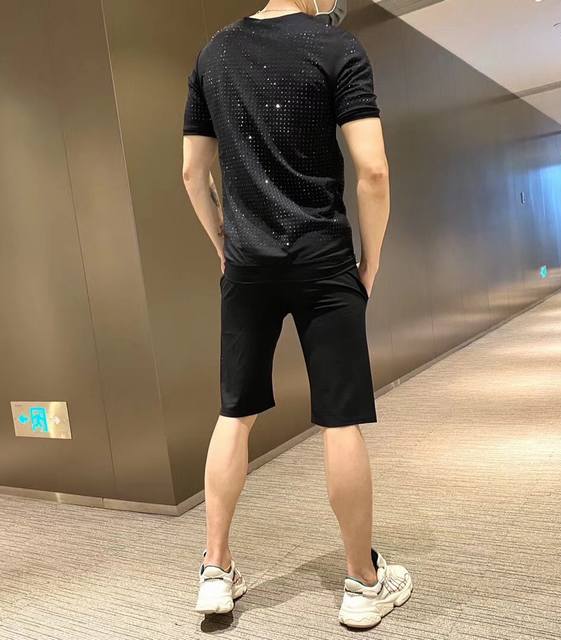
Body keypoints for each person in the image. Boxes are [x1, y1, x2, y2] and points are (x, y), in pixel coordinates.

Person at [181, 0, 412, 629]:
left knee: (235, 415)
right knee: (340, 420)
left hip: (247, 265)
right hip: (323, 260)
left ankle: (214, 569)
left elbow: (192, 172)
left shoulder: (214, 53)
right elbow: (373, 169)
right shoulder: (337, 47)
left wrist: (222, 242)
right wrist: (370, 261)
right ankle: (363, 582)